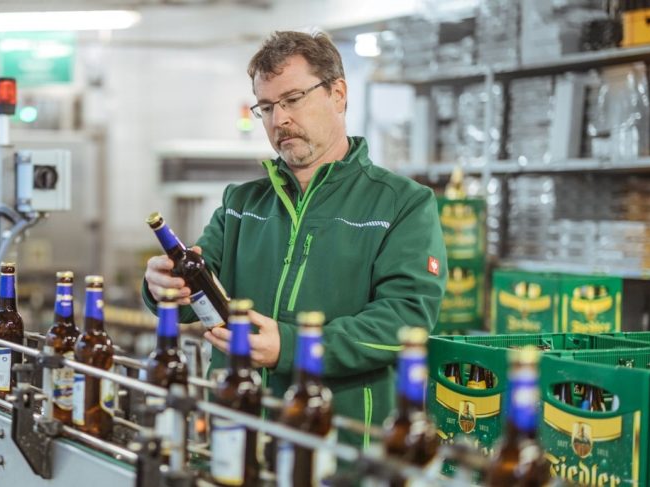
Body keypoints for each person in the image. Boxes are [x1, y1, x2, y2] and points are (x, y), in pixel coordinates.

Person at [142, 30, 447, 447]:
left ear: (338, 93)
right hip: (239, 432)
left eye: (292, 100)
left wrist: (291, 346)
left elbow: (405, 320)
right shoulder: (241, 203)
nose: (278, 120)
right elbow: (196, 295)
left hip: (339, 445)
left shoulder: (402, 204)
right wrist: (161, 287)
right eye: (266, 107)